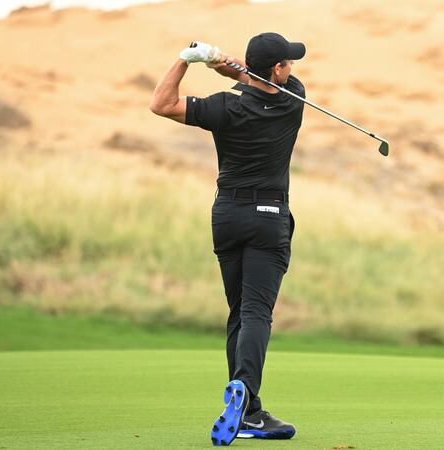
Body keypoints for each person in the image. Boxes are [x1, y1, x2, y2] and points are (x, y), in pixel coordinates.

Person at [149, 32, 306, 445]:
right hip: (269, 216)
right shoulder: (293, 102)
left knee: (238, 313)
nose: (293, 68)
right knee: (257, 313)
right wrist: (225, 63)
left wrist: (188, 59)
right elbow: (249, 76)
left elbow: (160, 104)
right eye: (288, 62)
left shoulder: (225, 106)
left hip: (228, 214)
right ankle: (244, 388)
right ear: (277, 69)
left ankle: (251, 415)